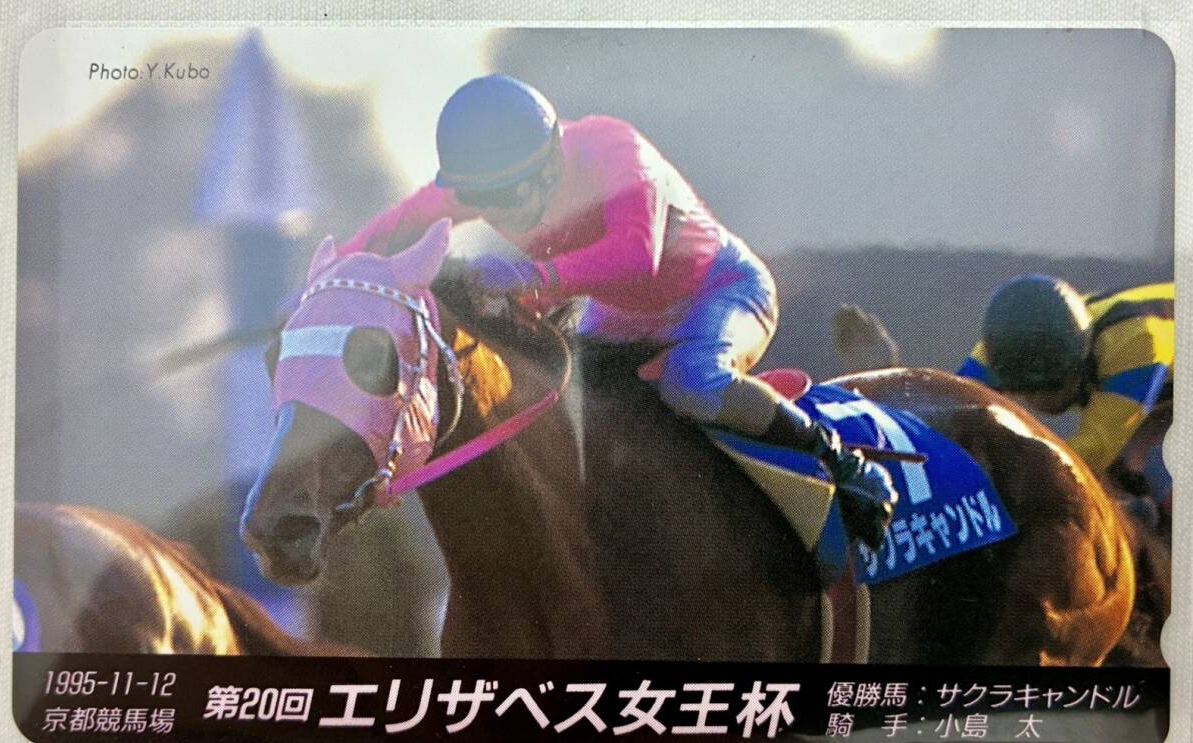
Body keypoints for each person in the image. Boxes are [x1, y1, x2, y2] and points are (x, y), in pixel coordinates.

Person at [336, 74, 897, 547]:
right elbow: (394, 227)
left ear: (551, 161)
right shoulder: (481, 180)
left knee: (692, 382)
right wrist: (330, 282)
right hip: (622, 313)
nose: (499, 213)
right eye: (483, 201)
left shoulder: (613, 149)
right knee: (552, 405)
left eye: (510, 195)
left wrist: (530, 277)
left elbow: (637, 257)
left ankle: (841, 463)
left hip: (718, 289)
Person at [958, 275, 1173, 518]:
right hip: (1155, 383)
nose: (1040, 399)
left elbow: (1095, 449)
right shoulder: (1000, 344)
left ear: (1082, 357)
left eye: (1053, 384)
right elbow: (949, 408)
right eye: (1022, 388)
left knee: (1160, 480)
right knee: (1123, 475)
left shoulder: (1136, 346)